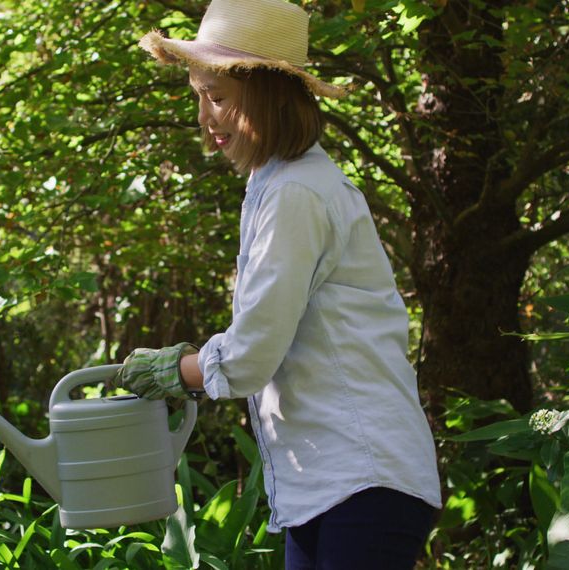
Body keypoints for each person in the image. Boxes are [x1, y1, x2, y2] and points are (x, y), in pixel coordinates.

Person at [113, 0, 442, 567]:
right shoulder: (279, 186)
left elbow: (252, 355)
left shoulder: (297, 194)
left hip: (362, 481)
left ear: (267, 96)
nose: (204, 117)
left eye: (217, 96)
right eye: (198, 95)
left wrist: (175, 369)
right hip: (328, 486)